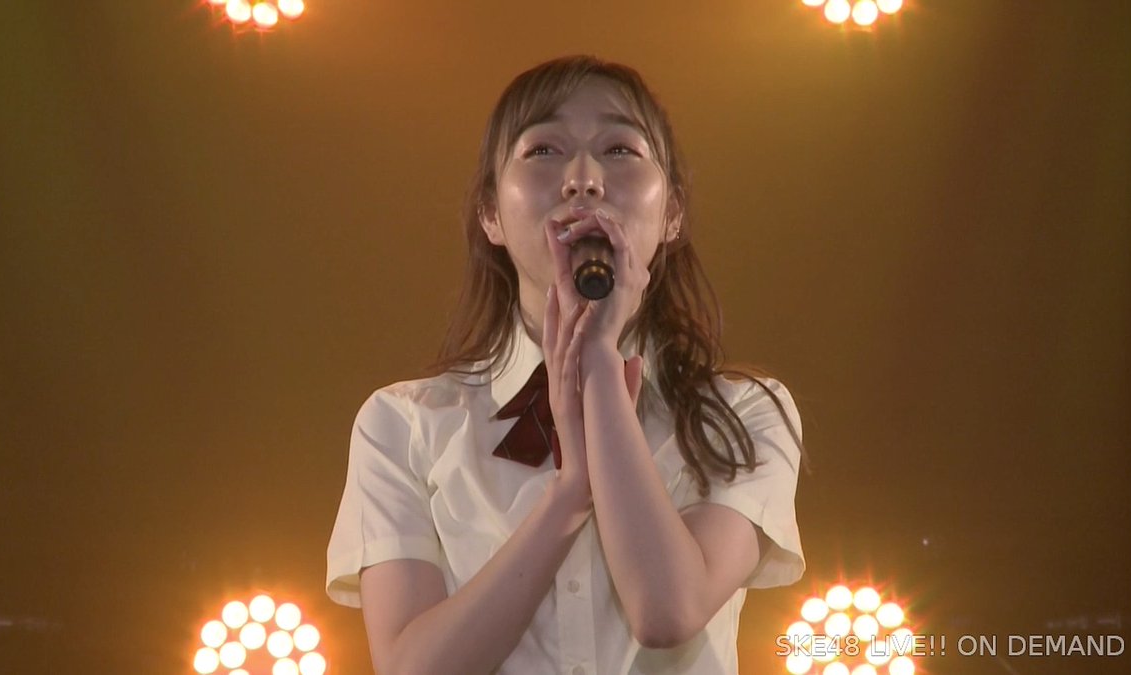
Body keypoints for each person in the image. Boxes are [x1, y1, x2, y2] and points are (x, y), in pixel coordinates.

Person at [326, 55, 806, 675]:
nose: (583, 181)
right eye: (544, 150)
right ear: (491, 214)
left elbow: (668, 610)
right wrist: (570, 492)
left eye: (620, 150)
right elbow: (411, 668)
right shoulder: (404, 422)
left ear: (673, 214)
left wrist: (599, 363)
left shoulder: (744, 411)